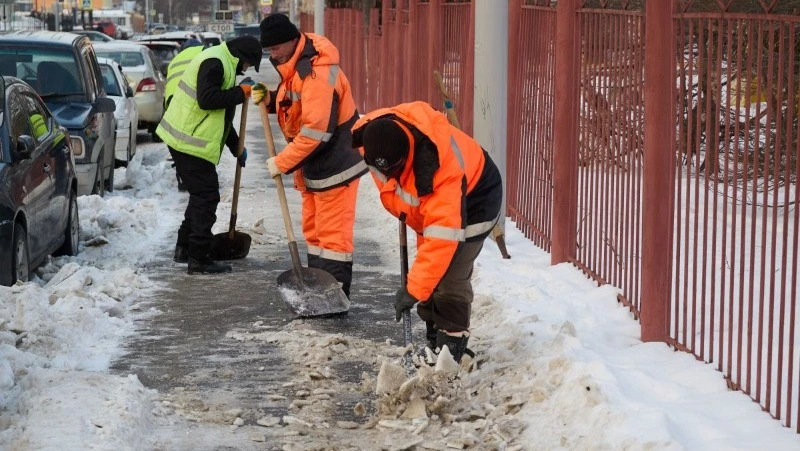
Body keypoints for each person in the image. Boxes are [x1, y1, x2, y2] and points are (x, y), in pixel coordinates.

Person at [351, 101, 503, 363]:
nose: (388, 176)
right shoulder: (371, 135)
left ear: (407, 154)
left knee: (450, 276)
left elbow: (442, 242)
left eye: (395, 170)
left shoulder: (438, 170)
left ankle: (451, 348)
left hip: (477, 199)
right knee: (431, 272)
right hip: (431, 206)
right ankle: (435, 341)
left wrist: (413, 290)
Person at [255, 13, 367, 297]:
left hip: (336, 165)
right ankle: (319, 291)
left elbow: (317, 132)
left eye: (276, 48)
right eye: (269, 49)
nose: (272, 54)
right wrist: (271, 100)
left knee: (332, 238)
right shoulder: (295, 65)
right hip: (315, 166)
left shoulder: (316, 73)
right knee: (315, 234)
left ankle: (334, 296)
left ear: (292, 40)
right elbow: (298, 105)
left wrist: (282, 162)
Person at [155, 36, 262, 274]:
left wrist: (236, 146)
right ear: (241, 57)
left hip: (186, 139)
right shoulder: (215, 62)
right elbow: (207, 100)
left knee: (200, 195)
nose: (245, 69)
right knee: (207, 195)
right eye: (247, 64)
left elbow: (221, 117)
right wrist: (240, 92)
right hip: (186, 140)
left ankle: (185, 249)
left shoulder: (223, 62)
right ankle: (199, 259)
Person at [164, 38, 205, 192]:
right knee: (198, 144)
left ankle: (183, 177)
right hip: (195, 104)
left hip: (174, 108)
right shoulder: (204, 54)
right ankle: (198, 178)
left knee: (180, 144)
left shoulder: (174, 61)